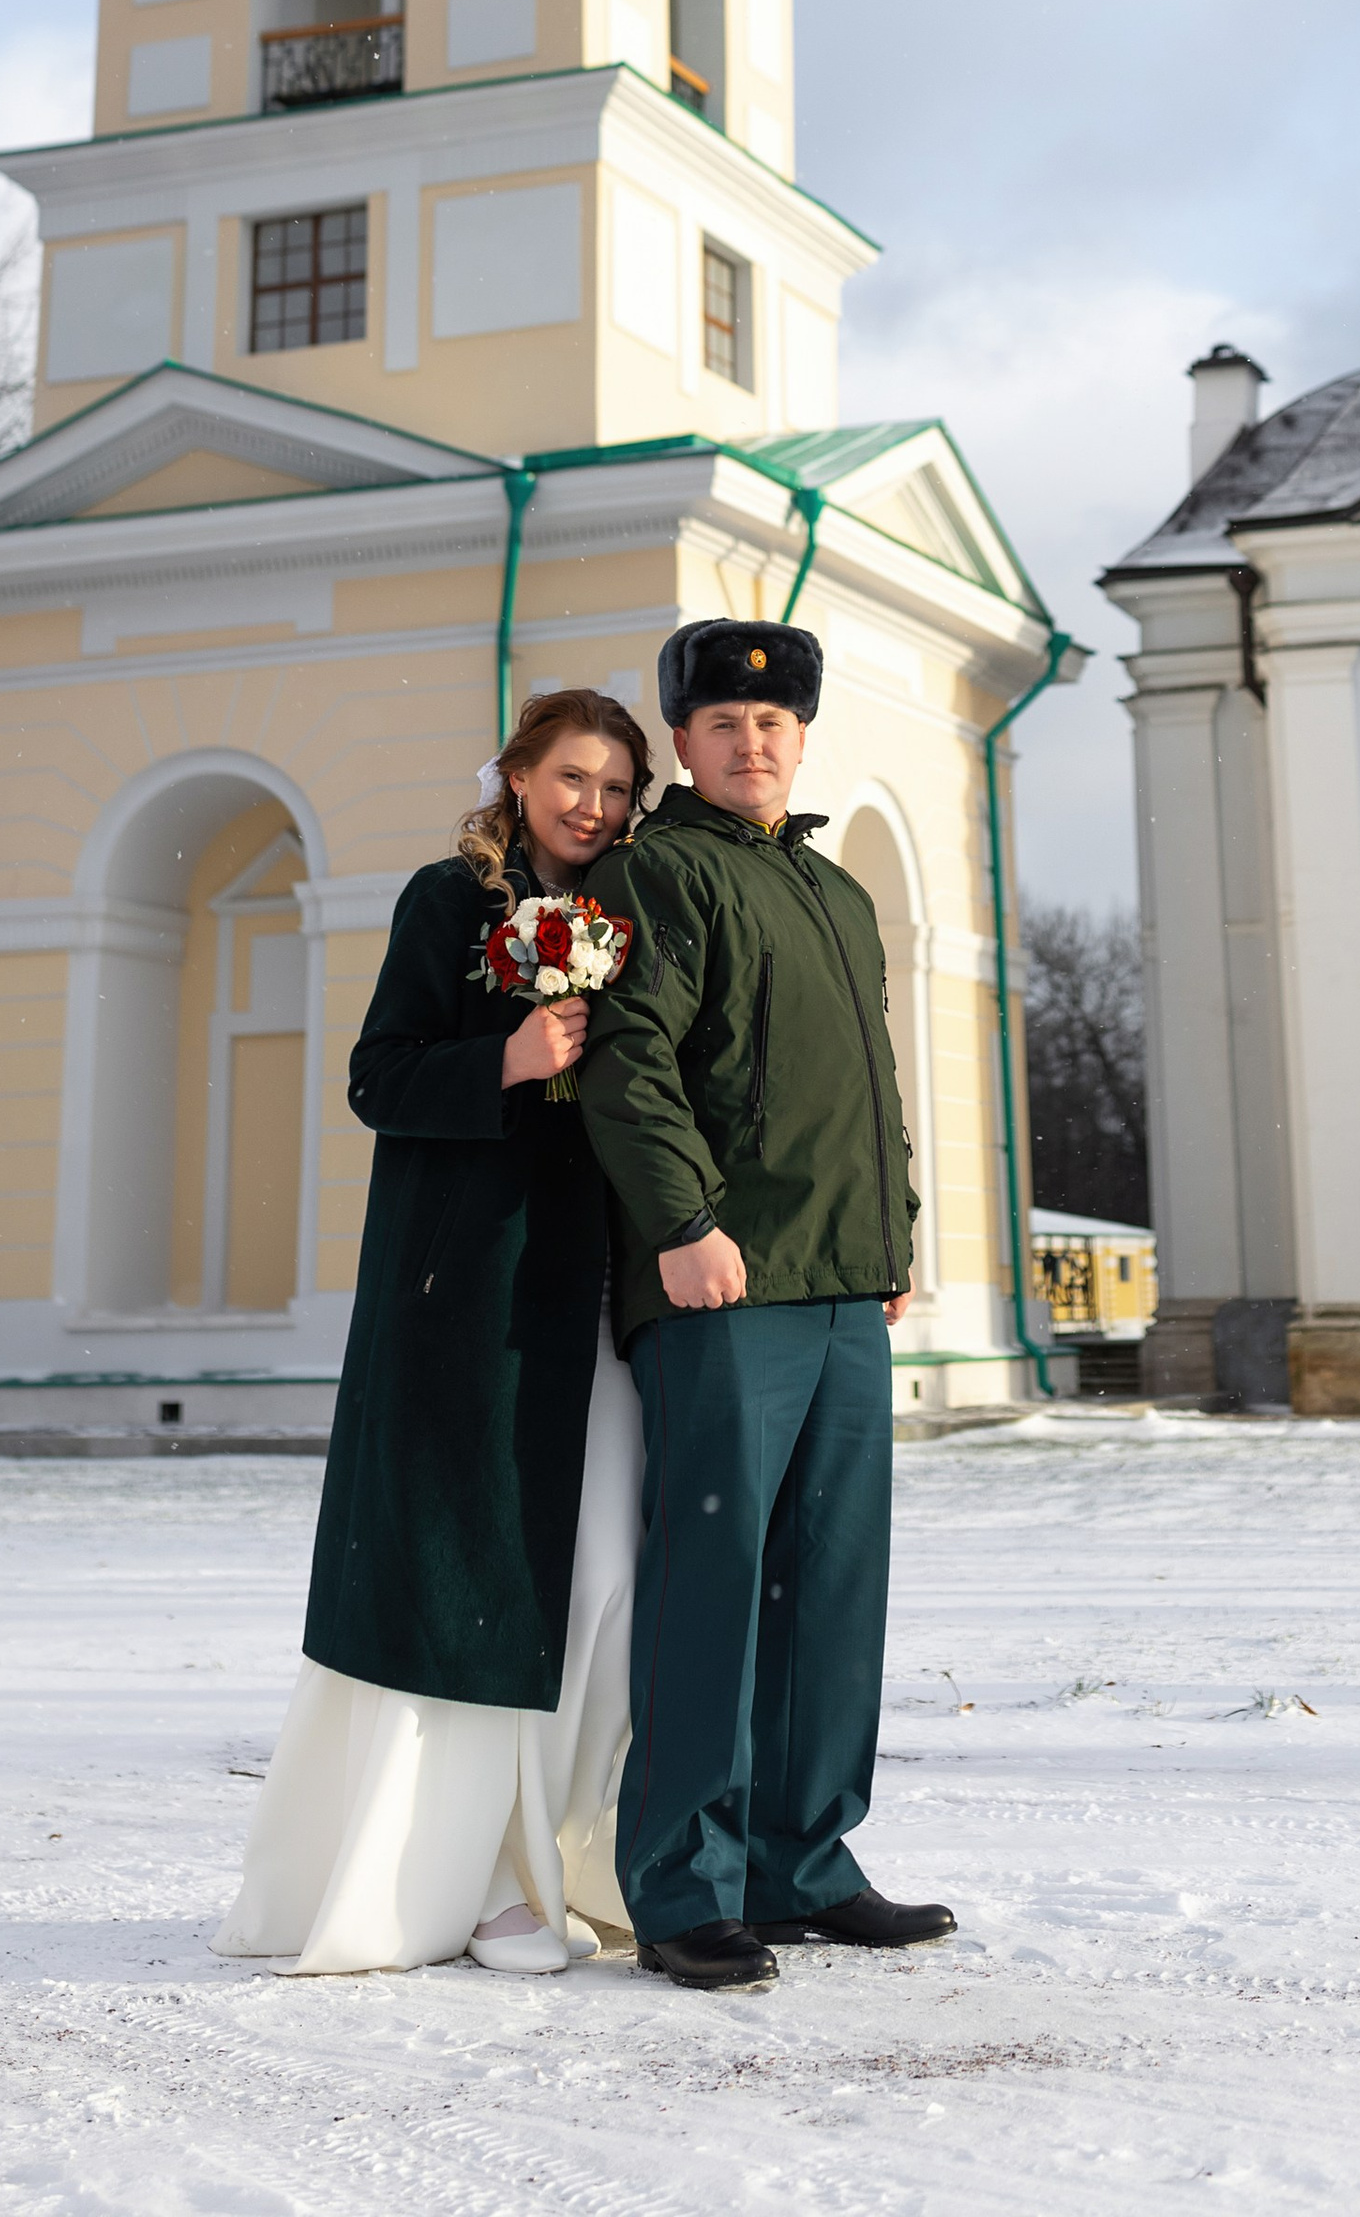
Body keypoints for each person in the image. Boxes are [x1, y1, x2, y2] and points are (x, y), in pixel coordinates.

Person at [215, 688, 651, 1977]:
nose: (594, 805)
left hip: (599, 1299)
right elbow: (377, 1077)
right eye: (573, 777)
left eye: (618, 786)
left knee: (603, 1572)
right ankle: (477, 1881)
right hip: (468, 1292)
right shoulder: (444, 904)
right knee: (479, 1571)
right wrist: (505, 1062)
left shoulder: (633, 919)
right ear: (516, 778)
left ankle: (574, 1849)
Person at [576, 620, 957, 1993]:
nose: (753, 741)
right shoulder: (654, 873)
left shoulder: (837, 891)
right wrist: (682, 1223)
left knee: (834, 1588)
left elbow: (873, 1086)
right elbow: (630, 1064)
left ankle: (807, 1862)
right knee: (715, 1587)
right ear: (682, 737)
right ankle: (685, 1885)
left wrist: (895, 1229)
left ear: (802, 737)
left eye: (776, 723)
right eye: (726, 723)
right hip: (725, 1282)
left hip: (847, 1280)